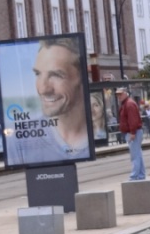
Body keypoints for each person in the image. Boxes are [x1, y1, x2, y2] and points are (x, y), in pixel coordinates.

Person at [5, 38, 90, 166]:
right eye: (38, 74)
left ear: (81, 78)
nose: (43, 89)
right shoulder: (17, 140)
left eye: (56, 75)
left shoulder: (97, 133)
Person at [116, 87, 145, 181]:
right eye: (118, 95)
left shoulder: (129, 104)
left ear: (126, 93)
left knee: (135, 155)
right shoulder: (127, 103)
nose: (119, 96)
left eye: (120, 94)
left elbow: (133, 120)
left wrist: (132, 132)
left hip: (133, 132)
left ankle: (134, 176)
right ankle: (141, 175)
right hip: (133, 132)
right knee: (138, 154)